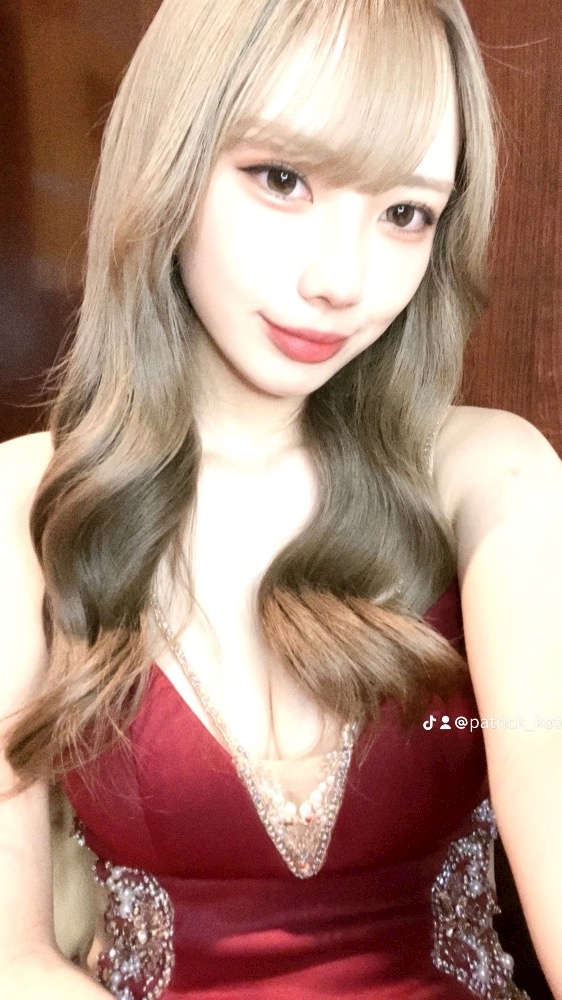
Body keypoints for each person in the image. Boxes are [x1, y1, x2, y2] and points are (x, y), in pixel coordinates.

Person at [0, 0, 561, 997]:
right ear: (168, 163)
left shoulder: (491, 479)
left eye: (405, 213)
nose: (342, 280)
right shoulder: (20, 507)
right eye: (282, 178)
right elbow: (14, 959)